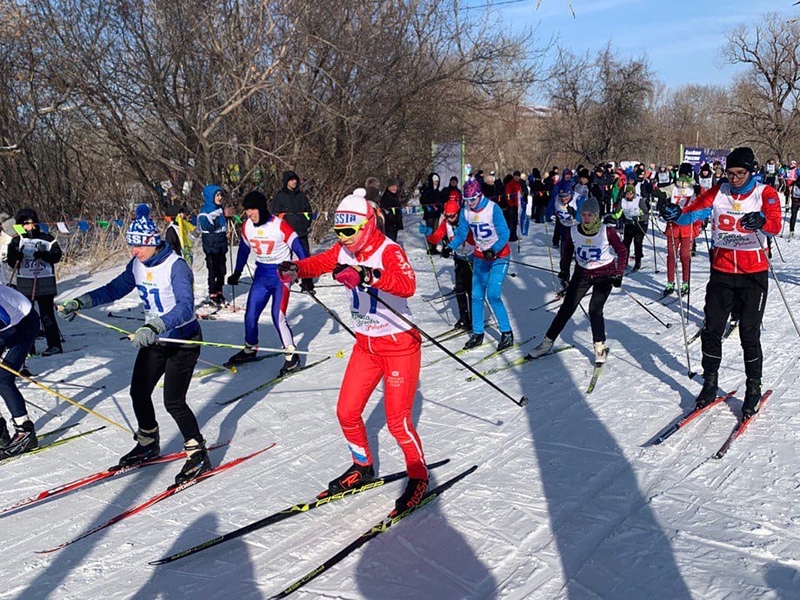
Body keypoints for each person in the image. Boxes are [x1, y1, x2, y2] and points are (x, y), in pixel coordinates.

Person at [277, 188, 427, 517]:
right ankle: (362, 466)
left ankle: (418, 476)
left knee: (397, 423)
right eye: (339, 232)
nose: (344, 239)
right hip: (366, 345)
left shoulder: (388, 250)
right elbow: (320, 262)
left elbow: (408, 284)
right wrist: (296, 269)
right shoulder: (343, 249)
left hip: (399, 345)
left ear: (367, 225)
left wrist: (368, 275)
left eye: (349, 232)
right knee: (346, 412)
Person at [59, 204, 211, 484]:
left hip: (182, 340)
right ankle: (148, 441)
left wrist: (155, 325)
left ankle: (197, 451)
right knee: (138, 391)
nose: (134, 252)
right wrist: (82, 301)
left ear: (153, 242)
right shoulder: (137, 265)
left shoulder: (175, 266)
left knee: (173, 401)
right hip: (154, 338)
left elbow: (186, 307)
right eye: (132, 246)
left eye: (139, 246)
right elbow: (113, 289)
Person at [659, 147, 781, 417]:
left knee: (749, 332)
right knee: (711, 328)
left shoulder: (765, 193)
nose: (734, 179)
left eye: (740, 173)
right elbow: (691, 215)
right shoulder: (718, 192)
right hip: (722, 272)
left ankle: (753, 387)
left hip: (753, 274)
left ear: (752, 171)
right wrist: (673, 213)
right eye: (730, 173)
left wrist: (761, 221)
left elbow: (775, 225)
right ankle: (710, 382)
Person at [528, 198, 627, 364]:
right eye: (583, 215)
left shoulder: (606, 231)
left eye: (590, 215)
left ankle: (599, 348)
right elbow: (566, 253)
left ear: (597, 216)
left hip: (605, 275)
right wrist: (564, 272)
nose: (586, 218)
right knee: (566, 309)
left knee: (595, 309)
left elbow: (622, 251)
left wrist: (618, 274)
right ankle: (546, 344)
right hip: (582, 274)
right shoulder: (573, 231)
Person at [225, 191, 306, 375]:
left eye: (252, 210)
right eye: (246, 210)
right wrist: (237, 273)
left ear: (261, 208)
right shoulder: (247, 226)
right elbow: (244, 250)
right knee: (250, 314)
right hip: (262, 273)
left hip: (281, 274)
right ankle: (250, 348)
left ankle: (292, 357)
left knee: (277, 316)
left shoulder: (280, 226)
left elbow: (299, 248)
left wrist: (306, 274)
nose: (249, 214)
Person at [447, 179, 514, 350]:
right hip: (480, 257)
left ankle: (506, 333)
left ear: (479, 195)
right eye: (467, 200)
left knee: (493, 294)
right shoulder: (466, 211)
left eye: (472, 200)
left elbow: (505, 232)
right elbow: (462, 233)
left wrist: (494, 249)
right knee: (476, 296)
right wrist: (450, 247)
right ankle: (478, 333)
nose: (470, 203)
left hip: (500, 256)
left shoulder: (493, 209)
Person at [5, 208, 64, 355]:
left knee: (47, 315)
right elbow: (12, 262)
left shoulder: (47, 238)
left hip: (45, 281)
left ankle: (54, 345)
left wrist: (45, 255)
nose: (28, 227)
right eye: (24, 224)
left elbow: (57, 255)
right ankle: (28, 348)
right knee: (26, 316)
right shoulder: (17, 240)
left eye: (30, 223)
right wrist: (16, 257)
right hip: (25, 282)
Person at [420, 199, 474, 329]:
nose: (449, 218)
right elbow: (436, 238)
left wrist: (450, 246)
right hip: (460, 257)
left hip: (473, 257)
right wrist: (428, 233)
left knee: (471, 290)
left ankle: (475, 319)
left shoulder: (465, 221)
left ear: (458, 213)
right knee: (460, 289)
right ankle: (464, 317)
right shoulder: (446, 223)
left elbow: (470, 237)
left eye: (452, 216)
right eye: (447, 216)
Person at [0, 284, 40, 457]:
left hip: (22, 326)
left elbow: (4, 318)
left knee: (3, 379)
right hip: (6, 329)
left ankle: (25, 431)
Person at [653, 163, 701, 296]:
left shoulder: (694, 189)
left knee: (685, 256)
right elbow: (662, 192)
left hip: (687, 226)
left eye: (686, 175)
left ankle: (686, 282)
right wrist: (652, 190)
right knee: (671, 255)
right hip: (673, 227)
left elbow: (704, 203)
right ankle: (670, 282)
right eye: (682, 175)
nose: (684, 178)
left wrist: (700, 192)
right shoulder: (673, 187)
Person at [271, 170, 315, 293]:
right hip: (286, 234)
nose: (294, 182)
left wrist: (305, 224)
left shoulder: (302, 196)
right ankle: (283, 282)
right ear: (286, 182)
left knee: (305, 259)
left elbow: (309, 212)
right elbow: (275, 215)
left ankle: (307, 284)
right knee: (284, 259)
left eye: (295, 179)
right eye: (291, 180)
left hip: (301, 233)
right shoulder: (280, 196)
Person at [197, 184, 228, 307]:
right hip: (211, 243)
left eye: (221, 195)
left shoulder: (220, 209)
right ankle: (212, 293)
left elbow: (222, 224)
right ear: (210, 197)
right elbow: (206, 226)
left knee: (222, 269)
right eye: (217, 195)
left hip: (221, 242)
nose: (220, 198)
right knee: (212, 269)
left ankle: (220, 291)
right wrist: (219, 221)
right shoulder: (205, 211)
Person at [613, 184, 650, 272]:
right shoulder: (622, 201)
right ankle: (624, 262)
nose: (629, 196)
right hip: (629, 223)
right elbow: (618, 213)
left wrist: (639, 218)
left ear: (634, 193)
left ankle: (638, 262)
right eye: (627, 194)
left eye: (630, 194)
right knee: (626, 243)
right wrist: (612, 217)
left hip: (640, 224)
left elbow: (646, 214)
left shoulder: (639, 201)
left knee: (637, 241)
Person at [420, 173, 442, 254]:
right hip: (429, 214)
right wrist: (429, 206)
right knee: (429, 230)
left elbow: (440, 201)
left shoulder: (438, 191)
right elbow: (422, 200)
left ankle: (434, 247)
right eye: (434, 181)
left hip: (436, 214)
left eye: (437, 181)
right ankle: (430, 247)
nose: (436, 183)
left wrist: (439, 207)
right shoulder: (427, 190)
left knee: (435, 231)